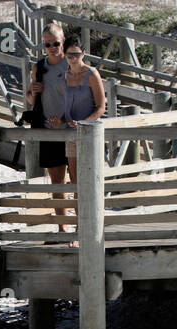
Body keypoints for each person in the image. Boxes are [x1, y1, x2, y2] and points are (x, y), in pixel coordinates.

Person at [25, 23, 72, 233]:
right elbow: (30, 98)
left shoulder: (73, 63)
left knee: (80, 183)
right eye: (47, 44)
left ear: (63, 41)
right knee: (57, 183)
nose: (52, 47)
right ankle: (63, 229)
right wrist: (34, 91)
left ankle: (81, 228)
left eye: (55, 43)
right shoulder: (39, 67)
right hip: (48, 130)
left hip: (72, 130)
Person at [61, 35, 106, 232]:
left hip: (89, 133)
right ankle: (80, 226)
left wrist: (84, 124)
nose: (73, 59)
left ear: (83, 54)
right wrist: (61, 120)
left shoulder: (92, 74)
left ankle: (92, 225)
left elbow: (101, 107)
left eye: (77, 55)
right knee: (75, 182)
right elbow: (67, 106)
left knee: (91, 180)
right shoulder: (65, 75)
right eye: (70, 55)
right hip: (71, 133)